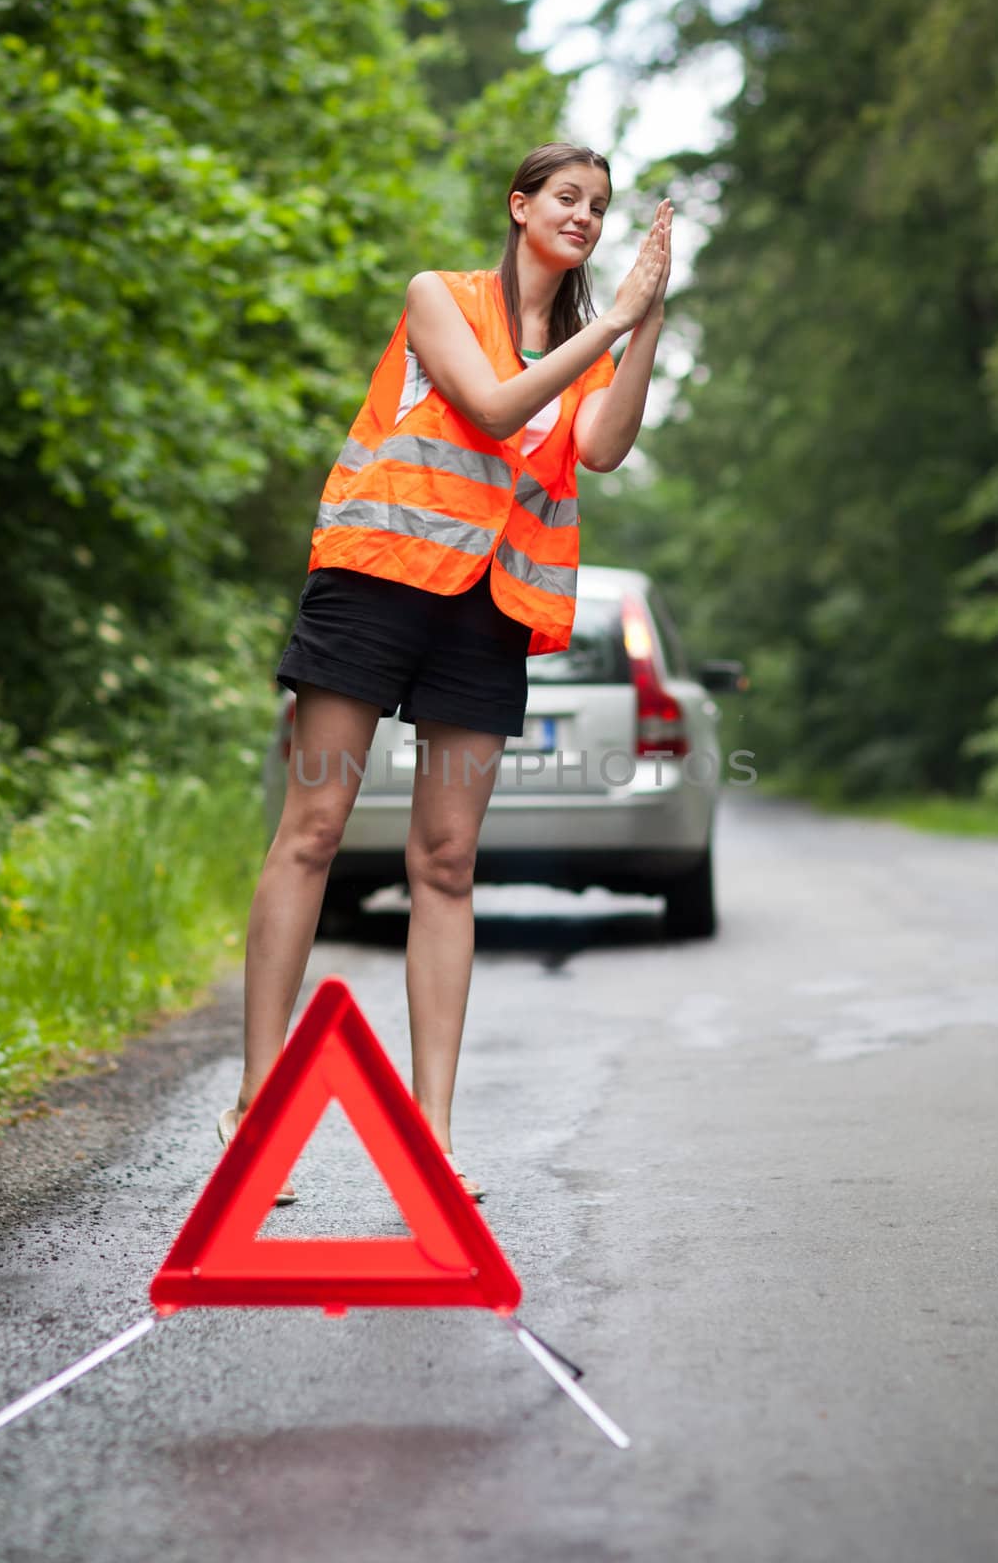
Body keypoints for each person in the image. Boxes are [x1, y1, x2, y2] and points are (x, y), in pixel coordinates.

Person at [219, 142, 672, 1203]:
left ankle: (430, 1137)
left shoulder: (588, 347)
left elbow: (599, 448)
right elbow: (495, 407)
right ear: (519, 207)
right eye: (569, 198)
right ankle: (253, 1111)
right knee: (315, 832)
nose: (587, 218)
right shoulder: (441, 298)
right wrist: (610, 323)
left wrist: (643, 320)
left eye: (601, 208)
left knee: (447, 863)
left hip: (488, 612)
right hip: (376, 584)